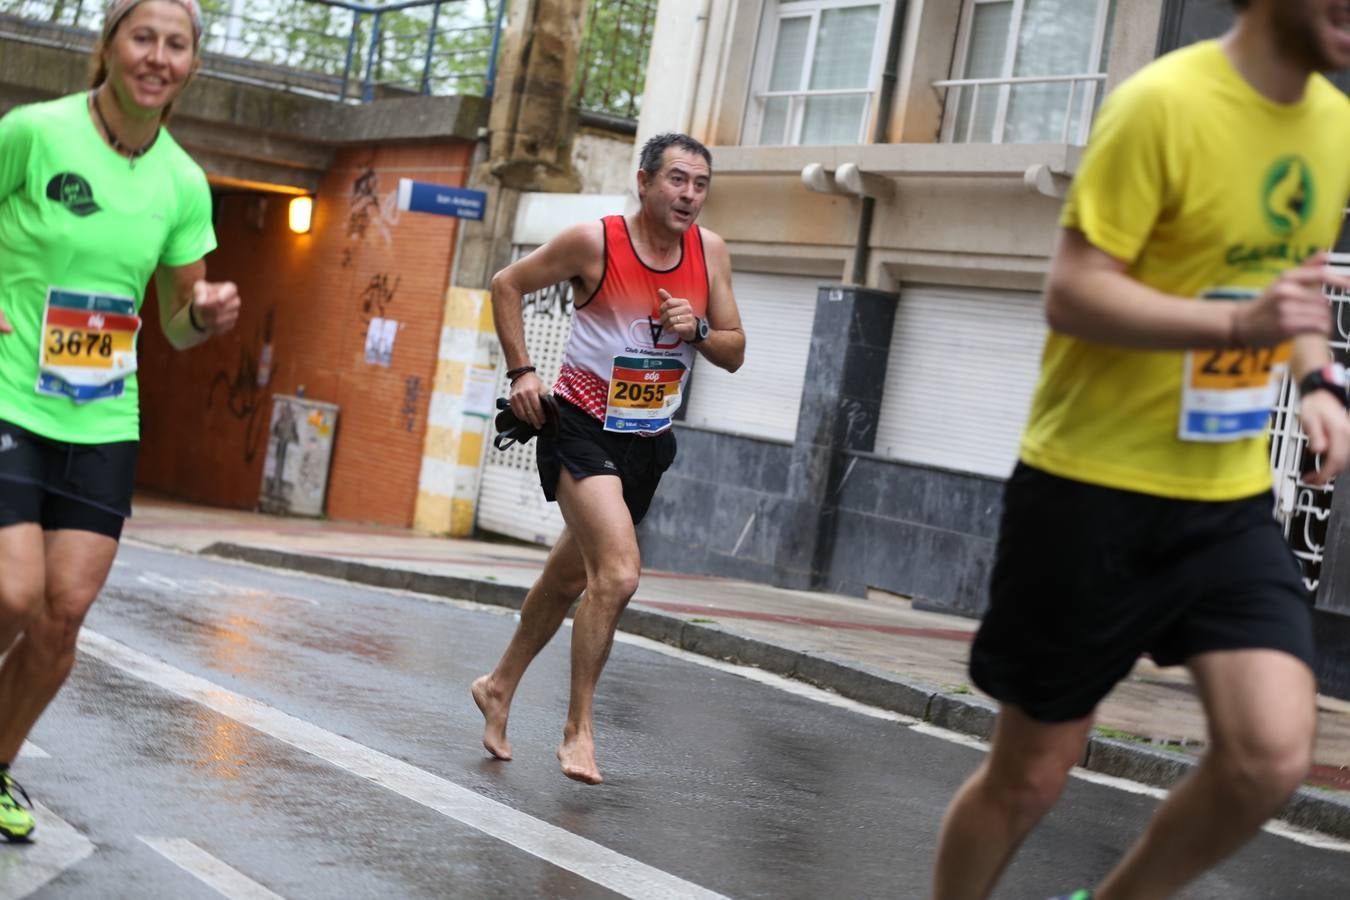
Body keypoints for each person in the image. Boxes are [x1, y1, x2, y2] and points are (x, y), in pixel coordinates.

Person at [930, 1, 1350, 897]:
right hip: (1089, 493)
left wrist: (1317, 383)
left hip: (1226, 502)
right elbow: (1074, 291)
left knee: (1269, 758)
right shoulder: (1162, 104)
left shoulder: (1334, 122)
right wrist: (1239, 323)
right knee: (1031, 776)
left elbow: (1296, 286)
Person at [0, 0, 239, 842]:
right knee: (11, 588)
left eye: (177, 45)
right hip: (8, 396)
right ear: (108, 45)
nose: (158, 57)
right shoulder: (33, 132)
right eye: (143, 37)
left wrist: (203, 314)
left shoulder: (181, 182)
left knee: (62, 613)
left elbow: (174, 326)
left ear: (192, 66)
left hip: (103, 417)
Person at [472, 133, 744, 784]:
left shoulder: (709, 253)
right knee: (618, 576)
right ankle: (578, 731)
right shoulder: (594, 242)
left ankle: (498, 685)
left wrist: (697, 329)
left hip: (647, 442)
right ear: (644, 181)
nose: (688, 196)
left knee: (572, 579)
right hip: (581, 428)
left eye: (700, 184)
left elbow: (734, 350)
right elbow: (507, 284)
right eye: (677, 180)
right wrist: (522, 374)